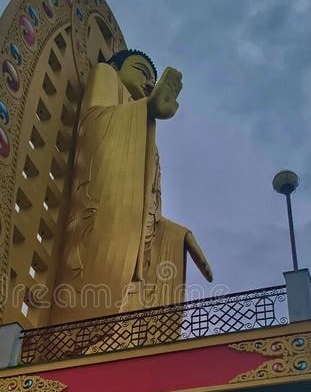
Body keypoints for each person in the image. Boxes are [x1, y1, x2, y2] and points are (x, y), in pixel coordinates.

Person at [51, 49, 212, 323]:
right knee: (87, 302)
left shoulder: (145, 125)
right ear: (115, 65)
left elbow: (148, 205)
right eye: (141, 71)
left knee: (122, 316)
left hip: (135, 247)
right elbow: (93, 127)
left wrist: (175, 235)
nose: (148, 82)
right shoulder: (106, 76)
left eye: (152, 79)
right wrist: (147, 108)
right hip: (99, 223)